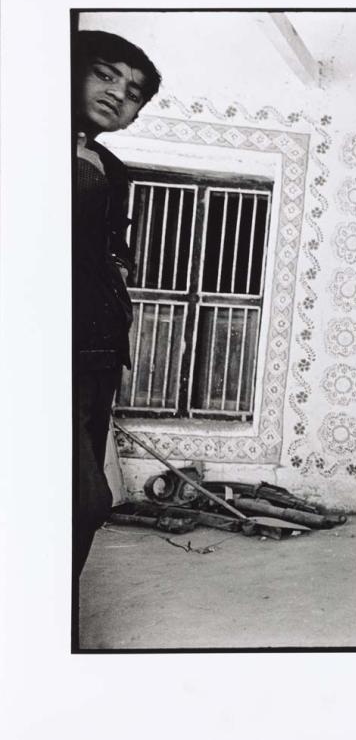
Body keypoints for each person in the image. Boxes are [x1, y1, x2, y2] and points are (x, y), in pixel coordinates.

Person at [72, 30, 162, 577]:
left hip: (100, 351)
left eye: (131, 92)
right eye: (104, 74)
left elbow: (112, 244)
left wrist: (117, 266)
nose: (115, 95)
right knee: (85, 499)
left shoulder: (110, 167)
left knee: (82, 502)